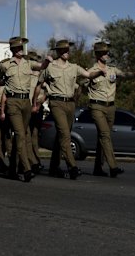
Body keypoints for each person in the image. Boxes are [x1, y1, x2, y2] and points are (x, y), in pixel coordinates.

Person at [32, 39, 104, 180]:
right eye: (64, 50)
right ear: (59, 52)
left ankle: (53, 167)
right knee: (65, 134)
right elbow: (38, 85)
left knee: (62, 136)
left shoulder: (74, 67)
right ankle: (73, 167)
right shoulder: (50, 68)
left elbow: (88, 75)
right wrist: (35, 104)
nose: (67, 52)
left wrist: (99, 73)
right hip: (56, 103)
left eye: (68, 50)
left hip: (70, 104)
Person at [87, 41, 135, 178]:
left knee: (103, 137)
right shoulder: (90, 71)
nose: (107, 54)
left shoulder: (112, 69)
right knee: (105, 134)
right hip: (96, 106)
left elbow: (123, 74)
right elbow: (80, 81)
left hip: (111, 107)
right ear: (97, 54)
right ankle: (113, 167)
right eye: (104, 52)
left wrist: (134, 75)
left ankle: (98, 168)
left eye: (107, 52)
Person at [0, 37, 50, 182]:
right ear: (13, 49)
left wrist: (48, 61)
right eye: (18, 47)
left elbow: (41, 67)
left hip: (25, 102)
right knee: (20, 134)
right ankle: (26, 168)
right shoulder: (6, 65)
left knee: (21, 136)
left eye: (22, 47)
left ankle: (13, 169)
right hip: (12, 101)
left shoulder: (29, 64)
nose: (21, 49)